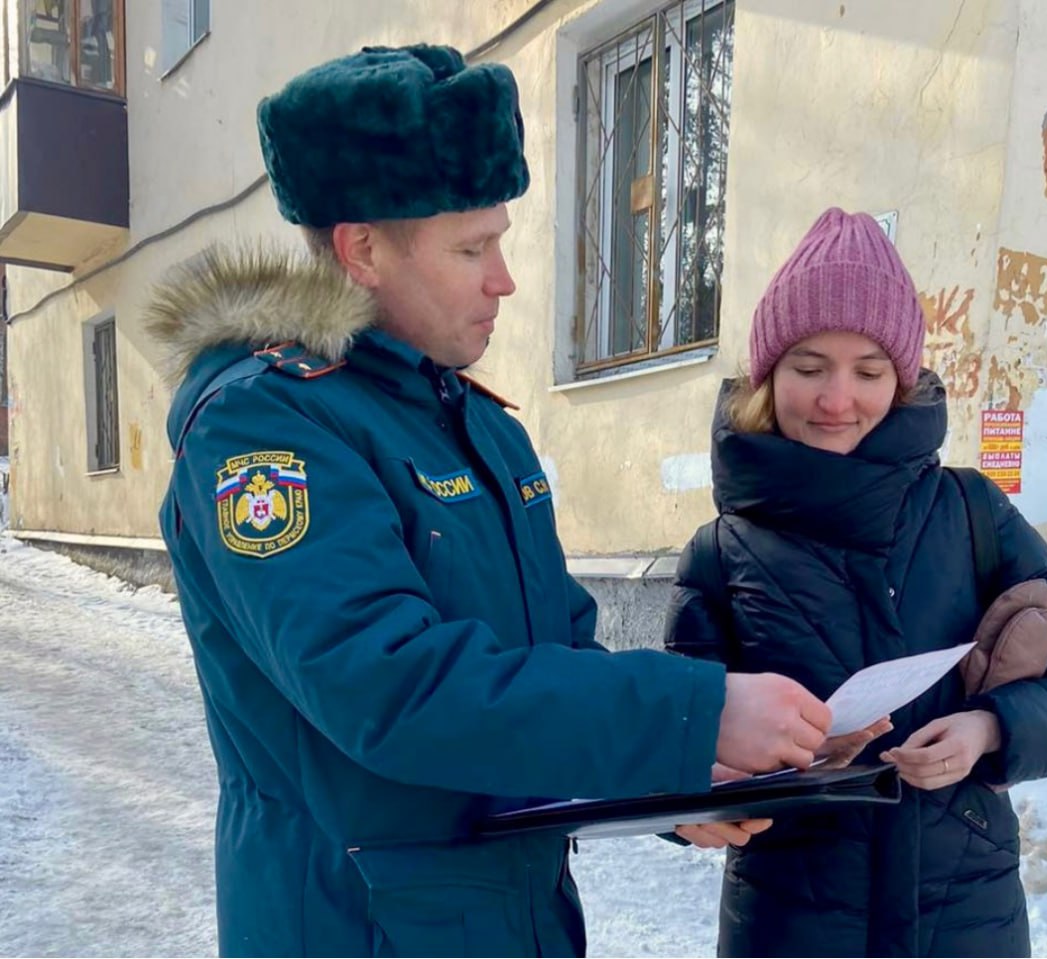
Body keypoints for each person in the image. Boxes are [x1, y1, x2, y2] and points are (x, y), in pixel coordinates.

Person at [148, 44, 832, 958]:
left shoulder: (477, 427)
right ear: (362, 250)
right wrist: (689, 710)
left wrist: (674, 781)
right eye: (472, 247)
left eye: (500, 240)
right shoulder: (265, 426)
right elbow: (390, 685)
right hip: (355, 927)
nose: (503, 277)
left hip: (515, 923)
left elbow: (554, 658)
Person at [664, 208, 1047, 957]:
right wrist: (711, 796)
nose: (836, 398)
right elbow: (671, 745)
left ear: (904, 380)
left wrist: (991, 729)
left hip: (966, 920)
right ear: (768, 375)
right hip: (791, 923)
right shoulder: (719, 554)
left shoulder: (976, 513)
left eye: (869, 370)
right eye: (809, 367)